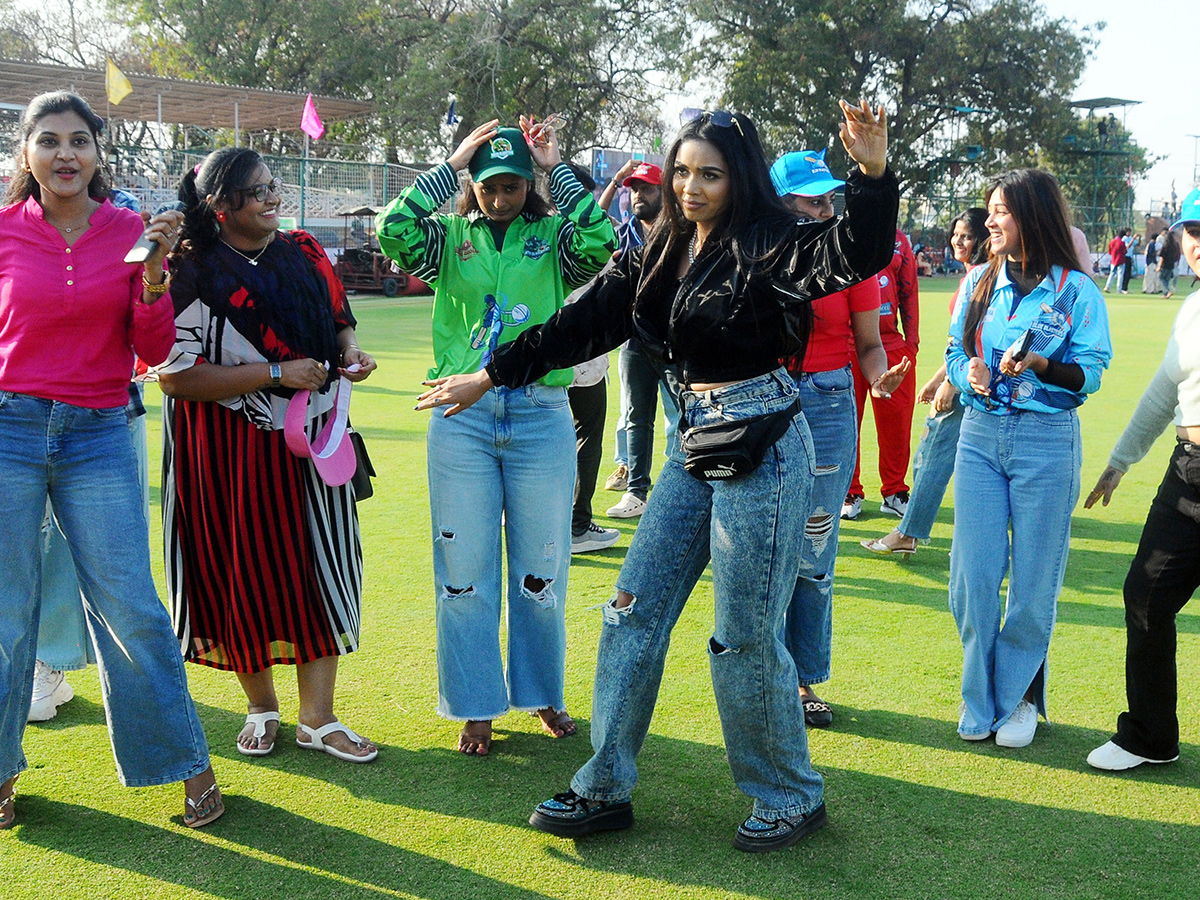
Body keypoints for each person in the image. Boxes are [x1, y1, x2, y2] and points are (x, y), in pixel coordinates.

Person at [416, 101, 898, 851]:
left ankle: (790, 794)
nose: (690, 187)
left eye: (709, 174)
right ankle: (603, 785)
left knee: (742, 635)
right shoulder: (659, 250)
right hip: (693, 444)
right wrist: (492, 373)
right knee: (630, 611)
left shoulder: (771, 242)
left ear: (738, 177)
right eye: (681, 171)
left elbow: (855, 251)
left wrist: (871, 173)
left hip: (764, 446)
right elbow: (582, 322)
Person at [0, 90, 222, 830]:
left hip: (98, 432)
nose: (66, 154)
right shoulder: (1, 231)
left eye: (80, 142)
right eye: (49, 141)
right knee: (5, 613)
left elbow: (154, 351)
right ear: (26, 154)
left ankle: (186, 765)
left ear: (98, 155)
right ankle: (0, 772)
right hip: (10, 430)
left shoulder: (132, 232)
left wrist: (155, 274)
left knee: (130, 604)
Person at [376, 118, 616, 756]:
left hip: (541, 415)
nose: (499, 197)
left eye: (512, 186)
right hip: (461, 421)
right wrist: (452, 164)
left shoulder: (554, 238)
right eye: (488, 186)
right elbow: (391, 230)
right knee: (463, 573)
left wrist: (554, 167)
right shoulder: (448, 238)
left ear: (528, 186)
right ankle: (476, 704)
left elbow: (600, 238)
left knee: (543, 570)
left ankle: (541, 694)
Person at [156, 147, 378, 765]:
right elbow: (175, 378)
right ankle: (260, 706)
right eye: (258, 193)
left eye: (273, 185)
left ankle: (319, 719)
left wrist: (351, 352)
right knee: (237, 573)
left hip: (311, 443)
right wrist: (276, 370)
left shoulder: (304, 250)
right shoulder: (190, 268)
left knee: (318, 565)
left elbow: (339, 317)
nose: (273, 198)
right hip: (221, 451)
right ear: (221, 208)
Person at [945, 168, 1112, 748]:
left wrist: (1040, 365)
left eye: (1001, 211)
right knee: (973, 578)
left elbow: (1088, 373)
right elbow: (954, 348)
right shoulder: (977, 282)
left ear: (1031, 217)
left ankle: (1017, 698)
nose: (988, 221)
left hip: (1047, 443)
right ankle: (979, 697)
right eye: (989, 210)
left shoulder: (1076, 291)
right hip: (979, 436)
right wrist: (965, 372)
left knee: (1034, 583)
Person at [769, 147, 910, 727]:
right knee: (764, 540)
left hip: (828, 402)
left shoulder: (851, 259)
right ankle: (762, 670)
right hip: (764, 398)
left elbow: (870, 342)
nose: (826, 209)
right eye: (812, 199)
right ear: (779, 202)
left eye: (830, 198)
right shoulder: (754, 254)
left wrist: (878, 378)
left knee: (813, 546)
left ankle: (801, 681)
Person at [1084, 189, 1200, 770]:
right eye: (1192, 231)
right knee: (1147, 594)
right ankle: (1152, 736)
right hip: (1189, 476)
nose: (1197, 244)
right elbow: (1164, 392)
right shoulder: (1192, 307)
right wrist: (1122, 459)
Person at [863, 207, 989, 555]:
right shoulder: (975, 276)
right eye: (956, 234)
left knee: (932, 455)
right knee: (951, 458)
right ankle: (967, 538)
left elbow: (976, 340)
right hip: (966, 376)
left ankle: (909, 533)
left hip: (970, 381)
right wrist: (938, 378)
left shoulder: (982, 276)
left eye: (967, 235)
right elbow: (961, 340)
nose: (958, 241)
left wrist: (950, 381)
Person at [597, 161, 682, 517]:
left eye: (646, 188)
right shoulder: (621, 232)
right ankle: (636, 492)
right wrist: (615, 179)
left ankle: (683, 486)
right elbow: (588, 220)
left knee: (682, 414)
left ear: (663, 193)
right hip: (633, 341)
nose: (637, 196)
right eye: (633, 189)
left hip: (676, 342)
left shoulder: (683, 233)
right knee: (636, 416)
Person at [842, 226, 919, 520]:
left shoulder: (898, 241)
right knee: (848, 422)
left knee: (897, 423)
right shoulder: (841, 235)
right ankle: (850, 491)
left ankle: (895, 491)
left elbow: (909, 290)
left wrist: (910, 344)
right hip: (846, 343)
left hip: (889, 343)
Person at [562, 163, 620, 554]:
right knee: (586, 438)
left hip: (533, 357)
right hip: (581, 358)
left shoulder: (532, 231)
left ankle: (522, 515)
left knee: (542, 437)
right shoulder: (591, 235)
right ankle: (577, 525)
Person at [1105, 228, 1129, 293]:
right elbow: (1125, 252)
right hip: (1121, 260)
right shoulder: (1122, 242)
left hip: (1113, 260)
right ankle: (1119, 289)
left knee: (1111, 274)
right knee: (1120, 275)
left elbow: (1109, 252)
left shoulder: (1112, 242)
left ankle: (1107, 286)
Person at [1160, 228, 1180, 298]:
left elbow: (1162, 256)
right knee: (1167, 280)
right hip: (1171, 264)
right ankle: (1165, 294)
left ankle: (1167, 292)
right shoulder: (1174, 246)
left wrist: (1159, 266)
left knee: (1161, 278)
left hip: (1164, 264)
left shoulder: (1165, 246)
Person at [1143, 230, 1160, 295]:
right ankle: (1150, 290)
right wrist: (1156, 252)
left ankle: (1146, 288)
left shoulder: (1150, 244)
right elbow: (1150, 253)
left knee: (1148, 276)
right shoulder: (1152, 244)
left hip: (1149, 261)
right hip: (1151, 262)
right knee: (1151, 276)